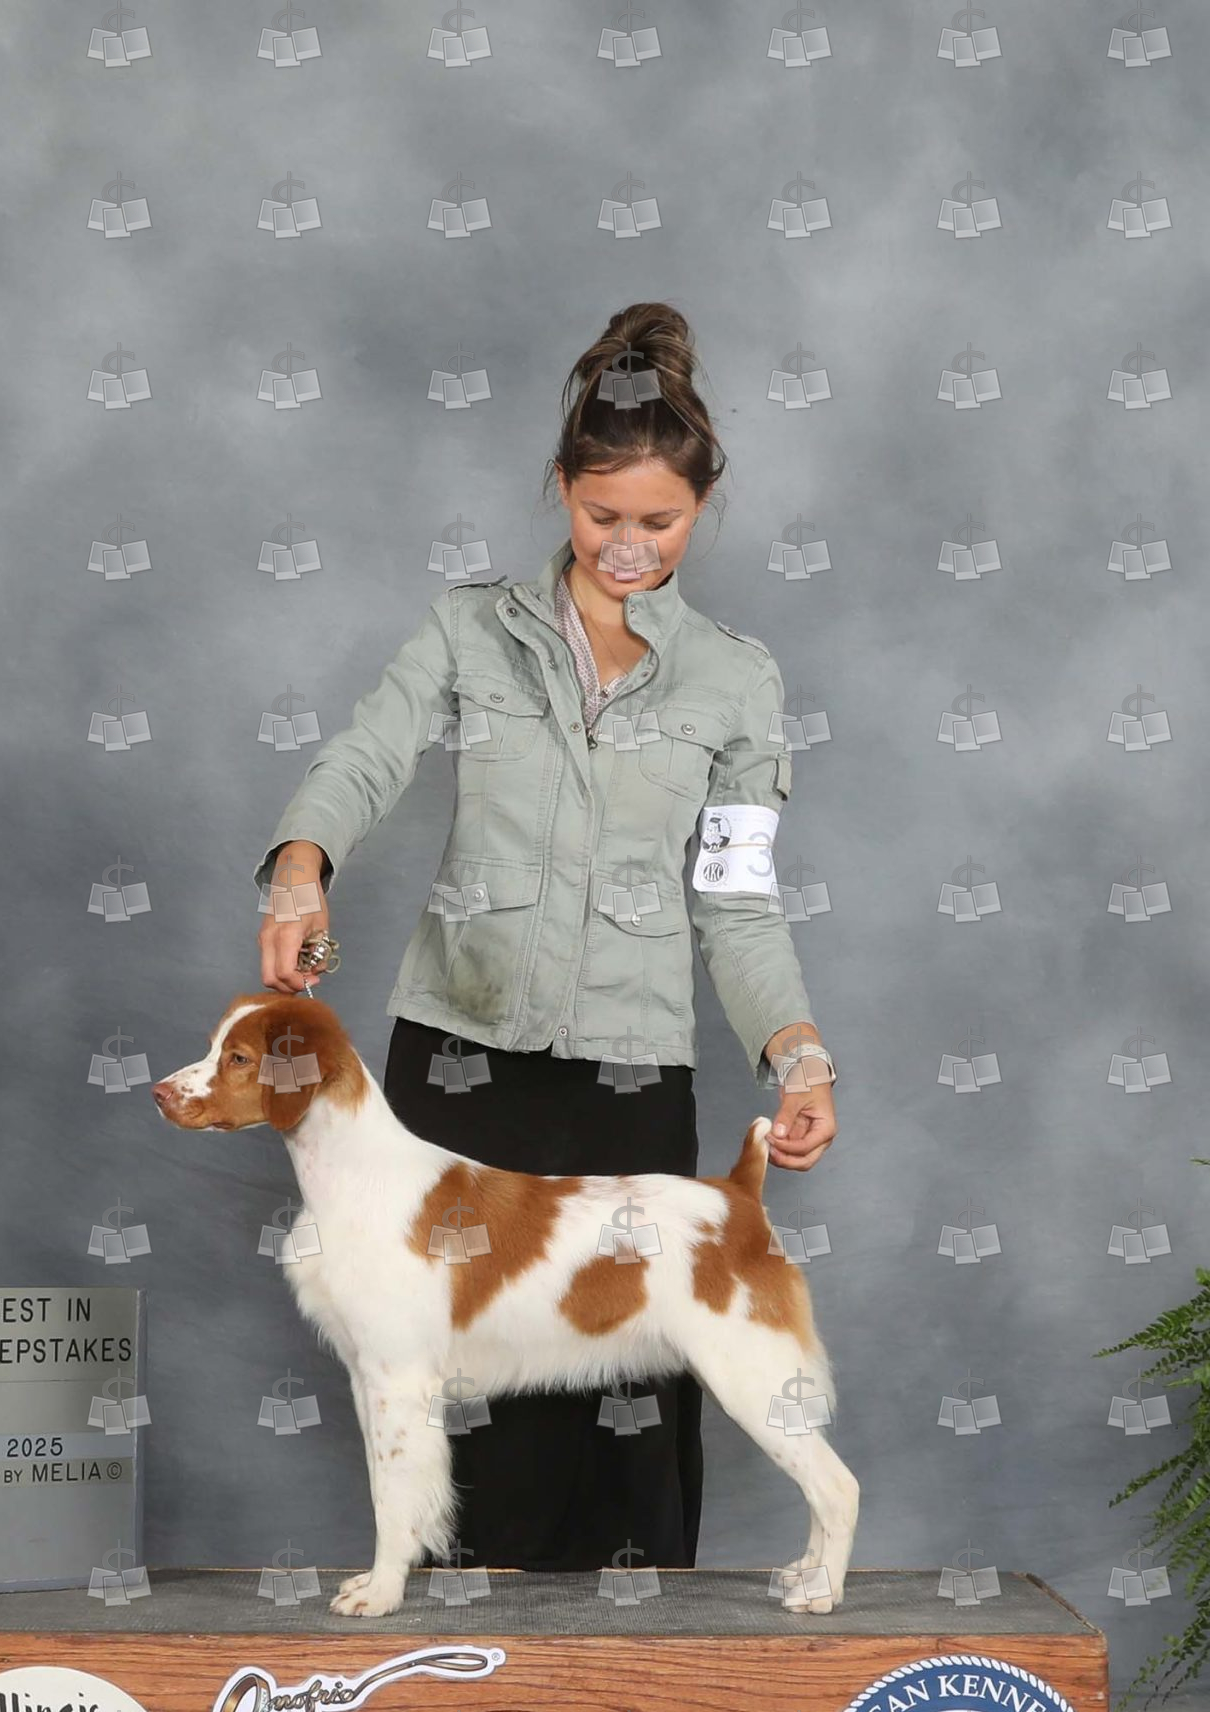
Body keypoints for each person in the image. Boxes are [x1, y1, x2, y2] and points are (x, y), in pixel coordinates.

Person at [253, 302, 837, 1579]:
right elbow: (366, 753)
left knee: (629, 1425)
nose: (627, 545)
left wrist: (795, 1049)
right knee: (470, 1408)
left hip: (631, 1081)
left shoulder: (737, 681)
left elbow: (737, 896)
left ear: (703, 509)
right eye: (600, 513)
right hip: (461, 1069)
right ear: (559, 488)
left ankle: (635, 1681)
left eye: (659, 522)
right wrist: (301, 863)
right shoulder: (469, 628)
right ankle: (466, 1667)